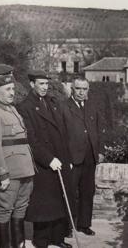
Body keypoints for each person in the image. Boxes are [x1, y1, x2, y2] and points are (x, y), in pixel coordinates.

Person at [18, 70, 73, 248]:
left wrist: (67, 158)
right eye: (40, 84)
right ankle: (41, 241)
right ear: (32, 84)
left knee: (60, 201)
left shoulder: (51, 103)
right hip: (43, 164)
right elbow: (31, 140)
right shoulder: (25, 107)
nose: (44, 87)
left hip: (59, 159)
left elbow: (62, 131)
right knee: (44, 206)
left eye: (46, 84)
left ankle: (57, 239)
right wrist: (48, 159)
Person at [0, 74, 35, 248]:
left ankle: (18, 245)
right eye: (7, 89)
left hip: (26, 169)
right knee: (4, 209)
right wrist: (2, 173)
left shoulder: (13, 109)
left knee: (21, 208)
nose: (12, 92)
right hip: (10, 171)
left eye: (13, 89)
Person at [60, 76, 104, 236]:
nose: (81, 92)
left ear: (88, 90)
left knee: (87, 191)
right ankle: (68, 226)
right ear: (72, 89)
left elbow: (99, 130)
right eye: (78, 88)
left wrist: (100, 151)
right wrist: (65, 158)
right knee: (70, 192)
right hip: (72, 158)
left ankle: (84, 224)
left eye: (84, 89)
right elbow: (61, 135)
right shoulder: (64, 107)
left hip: (89, 158)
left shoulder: (93, 107)